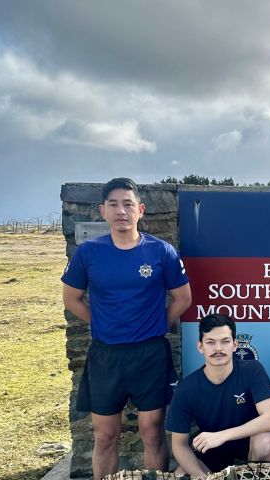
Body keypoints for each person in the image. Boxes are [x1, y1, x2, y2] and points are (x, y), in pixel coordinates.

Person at [62, 177, 192, 480]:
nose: (121, 210)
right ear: (102, 211)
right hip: (106, 356)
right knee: (106, 434)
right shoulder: (89, 253)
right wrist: (102, 322)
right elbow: (72, 299)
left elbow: (183, 298)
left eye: (128, 204)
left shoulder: (161, 251)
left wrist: (157, 323)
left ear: (141, 210)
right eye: (114, 204)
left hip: (150, 354)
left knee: (152, 432)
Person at [166, 314, 270, 478]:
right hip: (213, 450)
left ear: (235, 345)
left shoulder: (252, 370)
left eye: (225, 341)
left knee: (265, 442)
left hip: (249, 444)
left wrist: (222, 435)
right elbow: (179, 445)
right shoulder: (186, 388)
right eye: (210, 342)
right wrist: (201, 476)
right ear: (200, 347)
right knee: (181, 474)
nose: (218, 348)